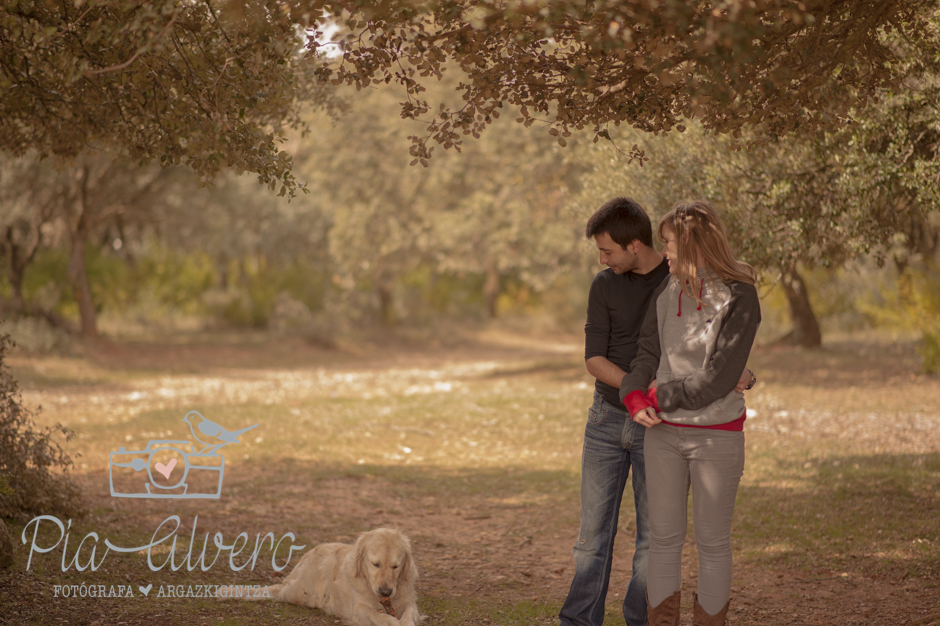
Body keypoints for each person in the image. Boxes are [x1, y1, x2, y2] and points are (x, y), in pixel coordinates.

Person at [619, 200, 761, 626]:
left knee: (712, 543)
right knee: (663, 540)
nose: (665, 253)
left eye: (669, 244)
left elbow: (719, 379)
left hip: (716, 436)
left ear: (694, 243)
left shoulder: (740, 296)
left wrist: (658, 396)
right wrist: (634, 395)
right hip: (662, 435)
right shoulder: (668, 291)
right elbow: (646, 352)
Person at [558, 197, 670, 626]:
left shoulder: (675, 284)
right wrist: (633, 392)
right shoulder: (603, 284)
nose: (602, 259)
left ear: (636, 245)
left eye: (607, 250)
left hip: (659, 428)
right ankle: (579, 621)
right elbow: (593, 359)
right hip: (605, 421)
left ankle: (639, 620)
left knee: (653, 539)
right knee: (591, 539)